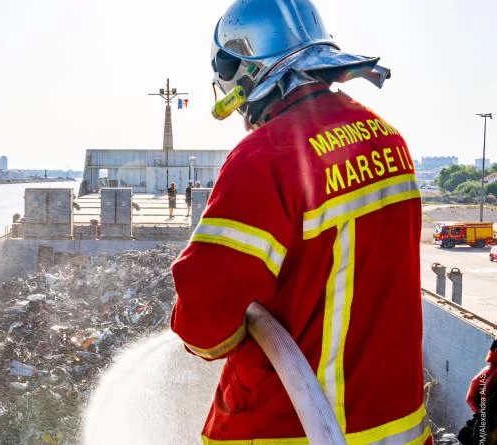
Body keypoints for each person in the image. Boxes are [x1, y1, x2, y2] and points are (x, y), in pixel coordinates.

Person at [170, 0, 428, 443]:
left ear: (246, 72)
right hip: (397, 426)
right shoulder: (389, 140)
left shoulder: (265, 157)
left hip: (289, 428)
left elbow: (205, 320)